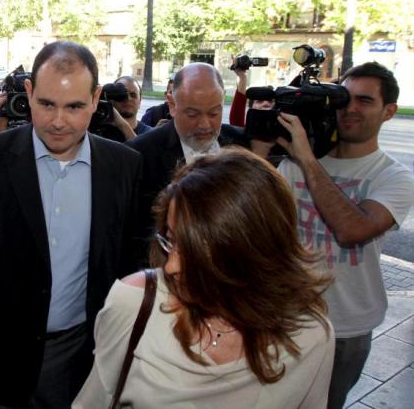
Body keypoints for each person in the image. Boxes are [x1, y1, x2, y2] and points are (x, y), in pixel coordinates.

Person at [0, 41, 142, 409]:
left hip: (85, 366)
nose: (58, 121)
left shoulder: (125, 166)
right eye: (47, 104)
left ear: (95, 98)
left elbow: (129, 267)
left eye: (74, 107)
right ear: (28, 92)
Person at [73, 148, 334, 408]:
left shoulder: (310, 336)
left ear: (255, 254)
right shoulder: (135, 303)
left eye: (195, 252)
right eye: (171, 240)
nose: (171, 266)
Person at [270, 62, 414, 409]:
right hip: (285, 318)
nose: (350, 108)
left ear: (389, 111)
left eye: (365, 100)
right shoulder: (292, 164)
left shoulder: (394, 177)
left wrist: (307, 159)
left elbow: (352, 230)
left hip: (345, 327)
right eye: (344, 99)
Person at [127, 63, 247, 245]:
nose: (205, 125)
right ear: (172, 105)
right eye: (192, 115)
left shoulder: (244, 145)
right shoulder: (138, 156)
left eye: (214, 113)